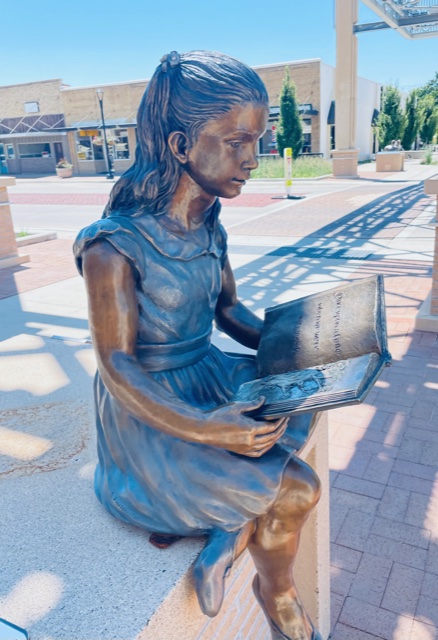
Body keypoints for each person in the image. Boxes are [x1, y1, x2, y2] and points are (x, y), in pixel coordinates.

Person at [74, 50, 322, 640]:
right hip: (151, 407)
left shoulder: (210, 224)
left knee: (303, 394)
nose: (253, 159)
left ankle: (227, 529)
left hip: (207, 372)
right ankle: (276, 591)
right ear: (181, 145)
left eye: (256, 141)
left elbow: (229, 311)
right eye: (238, 142)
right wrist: (209, 428)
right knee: (297, 487)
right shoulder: (112, 246)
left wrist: (305, 342)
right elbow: (116, 364)